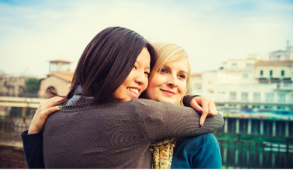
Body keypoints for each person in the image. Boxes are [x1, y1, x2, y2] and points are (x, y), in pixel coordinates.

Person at [21, 27, 224, 168]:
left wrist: (34, 133)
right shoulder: (137, 115)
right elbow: (215, 119)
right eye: (162, 70)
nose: (173, 82)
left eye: (182, 76)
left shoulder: (201, 144)